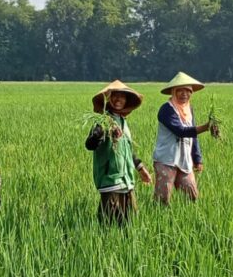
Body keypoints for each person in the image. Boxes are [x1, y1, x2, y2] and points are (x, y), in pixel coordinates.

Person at [85, 80, 152, 225]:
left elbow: (127, 150)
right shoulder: (102, 121)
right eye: (115, 95)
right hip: (111, 180)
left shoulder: (122, 121)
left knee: (129, 222)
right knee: (108, 223)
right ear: (108, 99)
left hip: (127, 181)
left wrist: (141, 168)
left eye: (122, 96)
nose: (118, 99)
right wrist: (98, 135)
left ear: (126, 100)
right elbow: (90, 144)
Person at [153, 72, 212, 204]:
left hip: (184, 160)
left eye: (188, 91)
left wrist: (198, 159)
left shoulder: (189, 109)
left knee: (192, 196)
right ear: (173, 92)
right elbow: (181, 131)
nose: (184, 94)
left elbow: (193, 135)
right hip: (166, 160)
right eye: (180, 90)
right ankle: (161, 220)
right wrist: (206, 127)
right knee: (163, 198)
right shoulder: (166, 109)